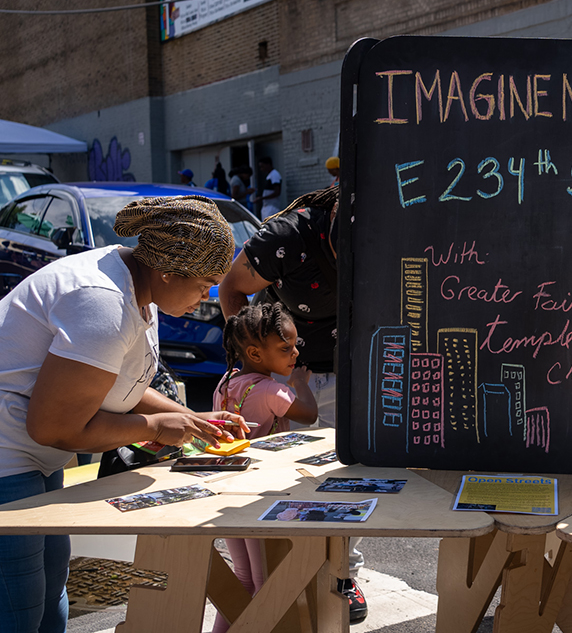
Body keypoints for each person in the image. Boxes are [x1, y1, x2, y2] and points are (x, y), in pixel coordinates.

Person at [0, 196, 249, 632]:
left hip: (30, 453)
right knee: (17, 604)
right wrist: (152, 427)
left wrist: (191, 420)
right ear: (169, 270)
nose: (208, 295)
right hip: (9, 453)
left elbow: (116, 387)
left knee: (53, 585)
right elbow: (54, 426)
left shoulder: (139, 286)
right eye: (205, 283)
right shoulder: (102, 303)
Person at [217, 185, 367, 623]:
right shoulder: (286, 239)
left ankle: (343, 576)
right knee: (296, 483)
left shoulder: (392, 233)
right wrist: (254, 367)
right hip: (290, 376)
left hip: (355, 370)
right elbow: (232, 288)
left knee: (350, 482)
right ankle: (291, 575)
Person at [211, 302, 317, 633]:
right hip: (258, 495)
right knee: (264, 580)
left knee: (242, 576)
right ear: (256, 353)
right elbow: (309, 415)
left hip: (226, 489)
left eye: (295, 346)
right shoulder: (275, 390)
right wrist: (300, 383)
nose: (294, 355)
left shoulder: (227, 382)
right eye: (285, 348)